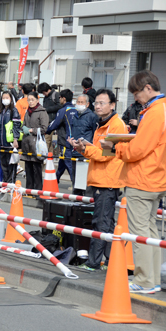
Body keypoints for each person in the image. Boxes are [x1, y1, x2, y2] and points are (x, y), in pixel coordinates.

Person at [104, 70, 166, 293]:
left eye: (137, 93)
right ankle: (153, 280)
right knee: (151, 233)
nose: (136, 98)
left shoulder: (154, 112)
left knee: (141, 234)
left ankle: (143, 280)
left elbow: (139, 149)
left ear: (148, 88)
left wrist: (117, 147)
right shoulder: (163, 109)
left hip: (142, 178)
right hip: (158, 178)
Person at [69, 89, 126, 272]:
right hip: (100, 179)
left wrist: (86, 149)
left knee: (100, 223)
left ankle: (94, 262)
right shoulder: (102, 124)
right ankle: (111, 260)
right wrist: (81, 147)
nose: (98, 106)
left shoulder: (116, 126)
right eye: (97, 103)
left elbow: (106, 155)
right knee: (106, 223)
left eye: (102, 103)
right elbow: (97, 152)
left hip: (108, 181)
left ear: (112, 105)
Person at [46, 89, 77, 183]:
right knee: (62, 162)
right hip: (75, 141)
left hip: (65, 141)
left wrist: (46, 130)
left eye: (59, 98)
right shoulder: (76, 110)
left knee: (68, 163)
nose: (59, 99)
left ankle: (76, 186)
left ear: (63, 98)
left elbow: (54, 124)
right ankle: (56, 179)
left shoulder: (63, 110)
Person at [70, 94, 98, 195]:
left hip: (86, 152)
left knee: (85, 182)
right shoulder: (75, 115)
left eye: (82, 102)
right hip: (75, 151)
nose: (80, 104)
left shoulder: (92, 116)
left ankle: (87, 202)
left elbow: (95, 133)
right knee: (76, 180)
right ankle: (76, 201)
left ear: (87, 104)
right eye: (78, 102)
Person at [21, 92, 49, 190]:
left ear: (37, 100)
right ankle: (29, 190)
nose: (30, 102)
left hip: (36, 144)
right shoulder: (27, 111)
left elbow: (44, 128)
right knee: (28, 169)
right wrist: (23, 128)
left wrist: (32, 130)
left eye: (32, 99)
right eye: (29, 100)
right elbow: (23, 124)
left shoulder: (42, 112)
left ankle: (37, 190)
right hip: (27, 143)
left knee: (37, 169)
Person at [0, 91, 21, 186]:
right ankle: (6, 184)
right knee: (3, 164)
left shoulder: (14, 110)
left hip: (10, 143)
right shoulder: (1, 110)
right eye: (3, 98)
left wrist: (15, 139)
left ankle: (11, 184)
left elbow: (17, 125)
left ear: (11, 99)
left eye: (7, 97)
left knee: (11, 164)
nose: (5, 99)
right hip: (2, 142)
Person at [38, 82, 62, 156]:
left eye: (43, 92)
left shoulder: (55, 95)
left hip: (54, 121)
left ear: (47, 89)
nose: (43, 94)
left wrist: (47, 109)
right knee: (48, 140)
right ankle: (49, 156)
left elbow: (59, 106)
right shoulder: (46, 97)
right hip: (47, 120)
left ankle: (47, 155)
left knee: (48, 139)